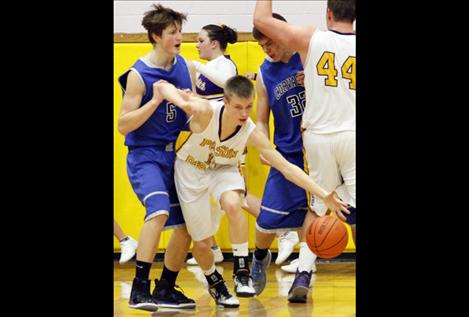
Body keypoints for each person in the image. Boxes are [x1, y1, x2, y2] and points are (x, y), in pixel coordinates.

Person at [153, 75, 349, 307]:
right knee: (202, 246)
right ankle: (215, 283)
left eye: (248, 107)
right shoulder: (205, 111)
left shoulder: (250, 131)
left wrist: (323, 193)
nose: (244, 114)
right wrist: (175, 94)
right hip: (190, 171)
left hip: (223, 170)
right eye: (238, 107)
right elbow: (161, 87)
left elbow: (286, 167)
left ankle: (242, 270)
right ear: (225, 102)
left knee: (234, 203)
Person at [253, 0, 356, 302]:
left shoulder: (311, 38)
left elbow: (261, 18)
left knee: (318, 208)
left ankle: (304, 274)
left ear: (328, 13)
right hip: (351, 134)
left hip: (318, 137)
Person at [117, 4, 197, 311]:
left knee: (188, 225)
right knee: (159, 210)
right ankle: (139, 288)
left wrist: (202, 114)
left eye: (180, 31)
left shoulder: (185, 67)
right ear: (155, 36)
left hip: (172, 156)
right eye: (172, 32)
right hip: (144, 157)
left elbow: (189, 121)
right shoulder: (139, 75)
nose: (179, 37)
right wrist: (155, 100)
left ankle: (165, 287)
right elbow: (123, 125)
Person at [249, 13, 319, 302]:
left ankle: (304, 274)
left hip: (317, 151)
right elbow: (262, 118)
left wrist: (313, 82)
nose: (267, 49)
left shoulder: (310, 56)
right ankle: (260, 256)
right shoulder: (264, 73)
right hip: (287, 155)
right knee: (266, 222)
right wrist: (265, 145)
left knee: (313, 217)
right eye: (262, 45)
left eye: (270, 42)